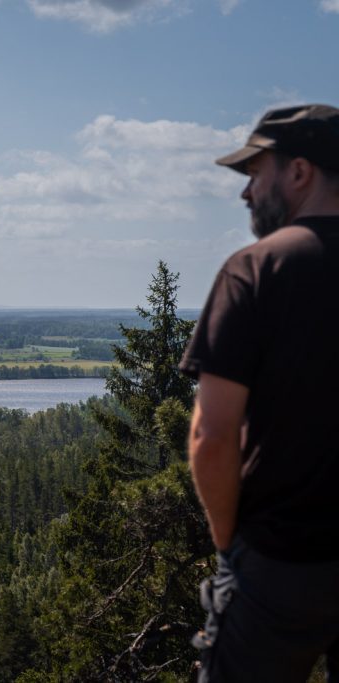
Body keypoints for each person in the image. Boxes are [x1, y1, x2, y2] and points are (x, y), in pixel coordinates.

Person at [180, 103, 339, 682]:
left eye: (256, 171)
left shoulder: (255, 270)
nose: (247, 193)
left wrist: (231, 550)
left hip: (280, 564)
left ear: (300, 172)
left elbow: (212, 435)